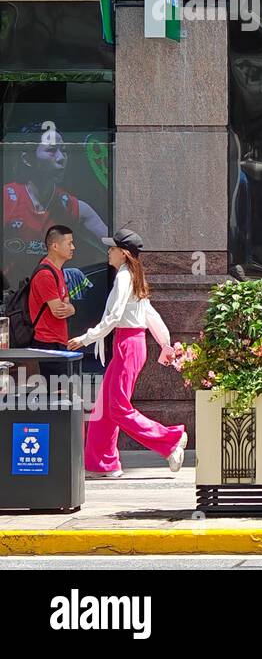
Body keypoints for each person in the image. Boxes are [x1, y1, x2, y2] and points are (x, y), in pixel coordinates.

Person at [68, 229, 187, 479]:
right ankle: (103, 463)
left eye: (112, 248)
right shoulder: (131, 275)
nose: (108, 252)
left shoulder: (124, 277)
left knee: (119, 407)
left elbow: (114, 316)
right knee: (106, 406)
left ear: (123, 253)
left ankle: (170, 440)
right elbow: (150, 313)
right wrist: (165, 345)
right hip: (129, 344)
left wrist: (86, 338)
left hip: (128, 345)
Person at [2, 125, 109, 292]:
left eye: (65, 150)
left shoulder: (75, 208)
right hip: (11, 300)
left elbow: (115, 249)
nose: (61, 158)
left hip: (51, 299)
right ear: (28, 159)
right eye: (52, 151)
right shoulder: (5, 199)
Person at [26, 225, 78, 353]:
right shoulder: (45, 274)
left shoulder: (58, 270)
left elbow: (67, 302)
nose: (73, 247)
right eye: (69, 243)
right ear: (55, 246)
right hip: (47, 343)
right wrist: (71, 309)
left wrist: (71, 308)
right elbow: (59, 311)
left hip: (58, 341)